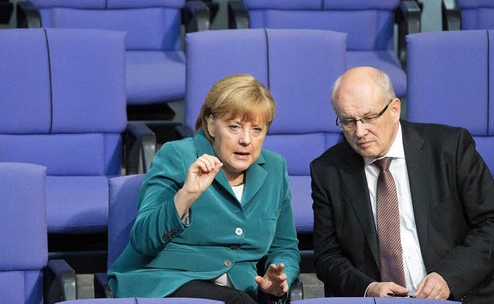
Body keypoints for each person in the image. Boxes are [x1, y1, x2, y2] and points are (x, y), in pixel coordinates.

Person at [108, 74, 300, 304]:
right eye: (234, 127)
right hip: (167, 281)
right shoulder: (177, 156)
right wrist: (186, 195)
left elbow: (285, 247)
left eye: (257, 129)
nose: (246, 140)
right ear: (210, 124)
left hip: (239, 289)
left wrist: (280, 278)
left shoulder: (275, 168)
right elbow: (143, 241)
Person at [310, 66, 494, 302]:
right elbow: (327, 256)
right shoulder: (328, 170)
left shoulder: (449, 149)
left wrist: (448, 278)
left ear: (394, 109)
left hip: (457, 297)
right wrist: (368, 288)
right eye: (348, 121)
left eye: (369, 118)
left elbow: (490, 223)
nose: (360, 131)